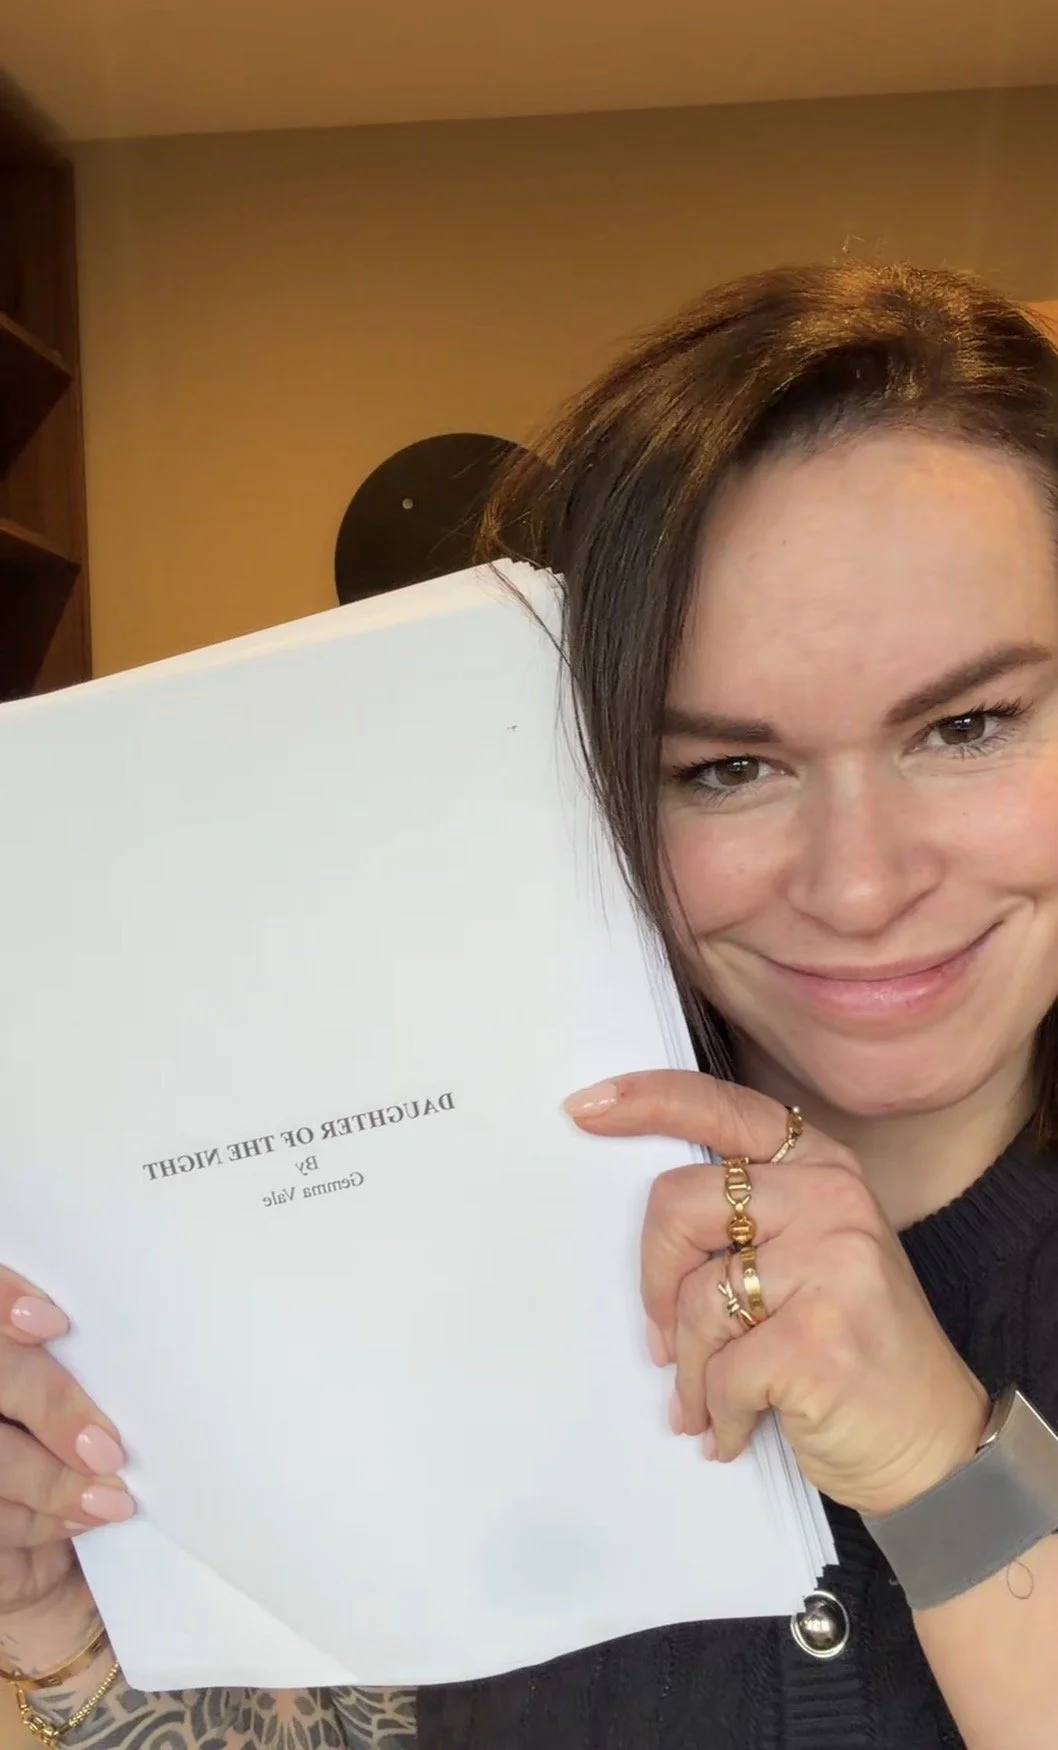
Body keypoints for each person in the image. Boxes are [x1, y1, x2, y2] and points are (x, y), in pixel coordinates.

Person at [1, 259, 1057, 1749]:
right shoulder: (435, 1219)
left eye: (966, 723)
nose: (861, 882)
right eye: (725, 767)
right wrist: (72, 1628)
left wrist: (946, 1474)